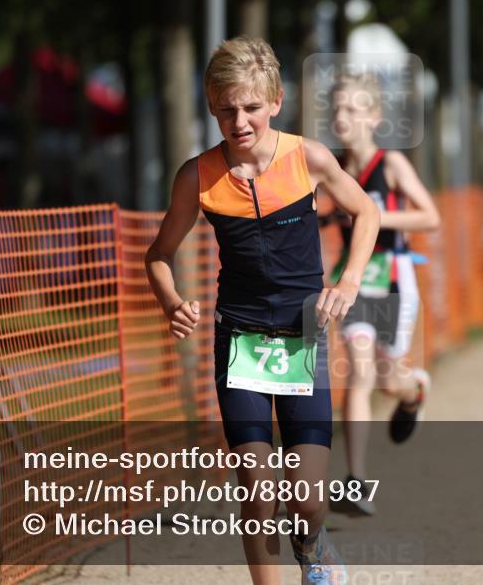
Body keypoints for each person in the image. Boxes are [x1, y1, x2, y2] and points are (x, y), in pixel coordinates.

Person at [145, 37, 379, 585]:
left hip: (302, 333)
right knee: (255, 488)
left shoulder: (309, 158)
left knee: (306, 495)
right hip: (240, 339)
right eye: (227, 109)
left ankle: (312, 542)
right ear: (211, 108)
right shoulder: (196, 176)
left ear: (274, 101)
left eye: (250, 107)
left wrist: (347, 281)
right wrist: (172, 301)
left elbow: (365, 212)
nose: (239, 120)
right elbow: (158, 256)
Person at [327, 72, 440, 515]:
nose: (343, 117)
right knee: (358, 372)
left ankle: (414, 391)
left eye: (353, 109)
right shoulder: (331, 169)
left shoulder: (390, 165)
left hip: (393, 278)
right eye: (337, 109)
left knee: (390, 379)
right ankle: (355, 481)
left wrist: (372, 217)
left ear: (374, 117)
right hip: (352, 280)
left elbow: (430, 218)